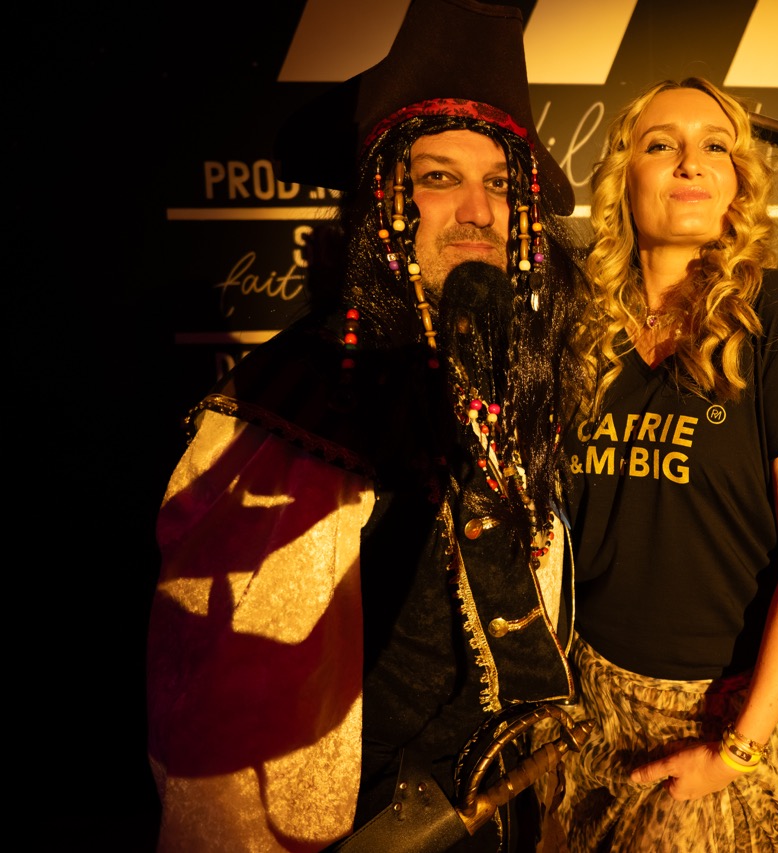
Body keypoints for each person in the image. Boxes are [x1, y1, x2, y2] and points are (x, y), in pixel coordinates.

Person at [145, 2, 592, 851]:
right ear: (380, 199)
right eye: (439, 177)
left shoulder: (517, 375)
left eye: (501, 183)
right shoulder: (295, 401)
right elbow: (225, 714)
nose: (478, 210)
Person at [544, 77, 778, 851]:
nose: (690, 162)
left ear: (738, 182)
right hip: (583, 721)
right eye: (661, 144)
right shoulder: (576, 324)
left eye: (714, 146)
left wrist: (737, 747)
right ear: (624, 178)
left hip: (720, 725)